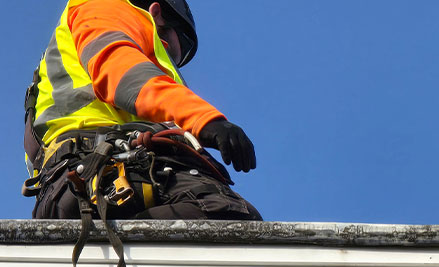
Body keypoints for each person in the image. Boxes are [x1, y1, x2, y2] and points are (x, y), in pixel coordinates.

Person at [23, 0, 261, 220]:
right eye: (182, 46)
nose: (173, 60)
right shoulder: (107, 7)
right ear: (157, 14)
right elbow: (125, 75)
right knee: (233, 217)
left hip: (68, 189)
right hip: (107, 171)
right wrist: (204, 120)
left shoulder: (59, 68)